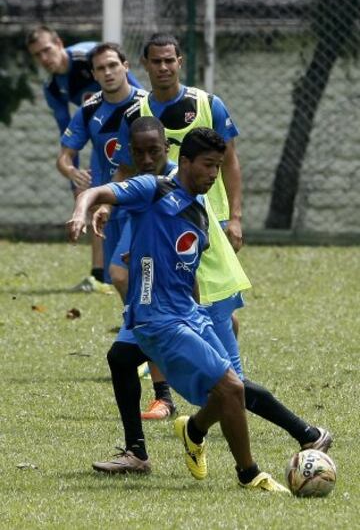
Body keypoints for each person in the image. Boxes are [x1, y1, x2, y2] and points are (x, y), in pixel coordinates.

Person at [89, 119, 332, 474]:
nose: (145, 157)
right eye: (138, 151)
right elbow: (120, 202)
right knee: (122, 358)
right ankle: (139, 451)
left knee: (230, 385)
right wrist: (108, 213)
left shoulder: (179, 185)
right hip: (158, 309)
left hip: (189, 303)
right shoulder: (148, 186)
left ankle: (301, 434)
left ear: (169, 152)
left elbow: (187, 252)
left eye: (153, 151)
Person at [26, 26, 142, 287]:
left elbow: (138, 96)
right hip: (103, 138)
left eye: (47, 49)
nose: (44, 58)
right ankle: (100, 274)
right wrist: (74, 181)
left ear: (59, 42)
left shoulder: (88, 55)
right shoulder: (54, 88)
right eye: (37, 55)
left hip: (135, 137)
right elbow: (67, 136)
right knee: (94, 200)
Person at [113, 32, 243, 252]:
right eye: (156, 61)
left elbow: (230, 163)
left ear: (179, 62)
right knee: (120, 273)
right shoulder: (134, 115)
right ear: (145, 64)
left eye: (169, 60)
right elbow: (124, 170)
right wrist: (106, 206)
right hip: (158, 214)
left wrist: (235, 217)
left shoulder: (209, 105)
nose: (163, 67)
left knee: (217, 285)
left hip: (209, 212)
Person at [57, 42, 147, 284]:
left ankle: (147, 319)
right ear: (94, 75)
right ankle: (135, 319)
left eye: (113, 65)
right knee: (116, 275)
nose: (108, 72)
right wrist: (71, 171)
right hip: (108, 202)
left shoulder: (147, 105)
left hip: (142, 199)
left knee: (132, 269)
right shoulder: (89, 110)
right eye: (101, 68)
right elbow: (64, 157)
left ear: (125, 67)